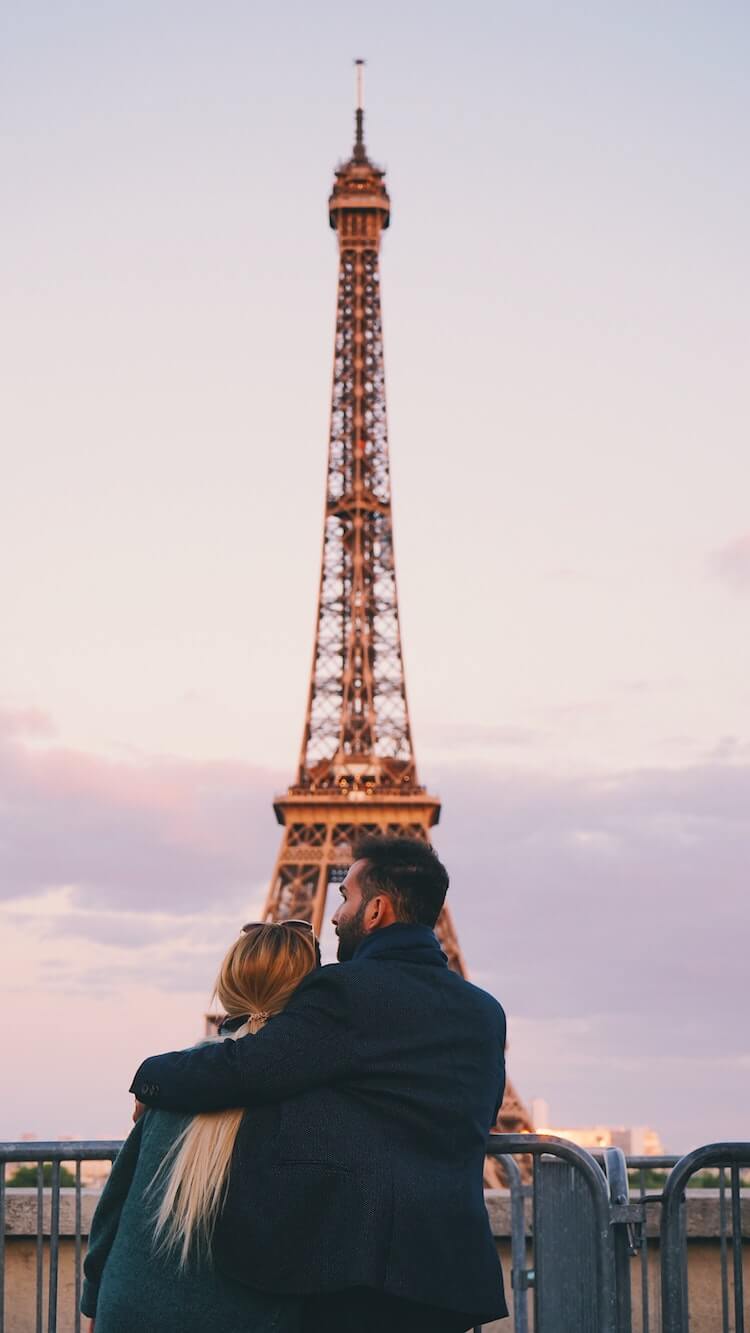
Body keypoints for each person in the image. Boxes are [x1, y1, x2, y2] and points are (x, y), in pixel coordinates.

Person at [131, 836, 509, 1331]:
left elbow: (248, 1068)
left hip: (358, 1270)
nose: (334, 916)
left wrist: (149, 1077)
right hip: (448, 1269)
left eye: (345, 897)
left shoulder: (346, 990)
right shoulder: (484, 1012)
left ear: (376, 910)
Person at [81, 922, 319, 1333]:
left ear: (228, 987)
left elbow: (112, 1209)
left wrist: (94, 1305)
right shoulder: (311, 1095)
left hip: (129, 1306)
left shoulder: (175, 1082)